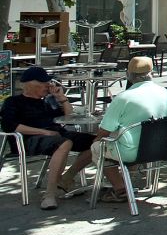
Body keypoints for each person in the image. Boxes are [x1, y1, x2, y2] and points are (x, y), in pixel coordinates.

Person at [0, 66, 97, 210]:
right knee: (65, 143)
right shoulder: (13, 101)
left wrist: (62, 99)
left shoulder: (48, 101)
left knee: (97, 141)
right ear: (30, 85)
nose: (48, 86)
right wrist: (44, 132)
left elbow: (69, 118)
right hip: (27, 139)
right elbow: (11, 126)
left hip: (57, 134)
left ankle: (66, 179)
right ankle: (49, 195)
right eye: (44, 83)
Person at [93, 57, 167, 203]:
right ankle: (126, 181)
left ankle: (120, 189)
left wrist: (96, 140)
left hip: (132, 152)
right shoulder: (165, 93)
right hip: (163, 148)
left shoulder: (124, 97)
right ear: (152, 73)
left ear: (129, 75)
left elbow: (105, 130)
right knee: (129, 137)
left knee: (96, 147)